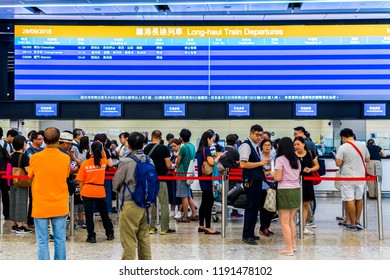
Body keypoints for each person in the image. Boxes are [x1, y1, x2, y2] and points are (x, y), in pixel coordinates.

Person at [28, 127, 70, 260]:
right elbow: (66, 174)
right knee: (60, 239)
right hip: (60, 204)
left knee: (42, 240)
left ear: (44, 140)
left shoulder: (35, 158)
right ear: (58, 140)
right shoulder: (65, 158)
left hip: (41, 204)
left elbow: (30, 175)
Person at [112, 132, 152, 260]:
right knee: (144, 238)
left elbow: (116, 183)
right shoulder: (149, 160)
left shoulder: (126, 161)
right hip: (146, 204)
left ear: (129, 145)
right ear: (142, 145)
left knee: (129, 239)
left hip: (131, 203)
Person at [76, 141, 114, 243]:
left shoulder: (85, 164)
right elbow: (105, 156)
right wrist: (101, 149)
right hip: (99, 191)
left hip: (87, 190)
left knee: (88, 215)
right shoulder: (103, 162)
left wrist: (80, 192)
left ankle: (91, 236)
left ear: (91, 151)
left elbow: (80, 180)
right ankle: (109, 233)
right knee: (104, 213)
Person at [335, 128, 370, 231]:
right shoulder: (362, 146)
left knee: (349, 199)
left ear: (343, 137)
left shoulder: (343, 147)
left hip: (348, 177)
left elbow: (338, 163)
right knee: (359, 198)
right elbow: (368, 159)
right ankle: (358, 221)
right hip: (361, 177)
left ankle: (352, 224)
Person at [238, 124, 267, 245]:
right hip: (250, 180)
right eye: (257, 135)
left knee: (255, 208)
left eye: (261, 135)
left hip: (256, 180)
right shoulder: (246, 146)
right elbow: (243, 164)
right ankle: (246, 235)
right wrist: (260, 163)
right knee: (251, 207)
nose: (259, 137)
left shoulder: (255, 146)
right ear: (251, 133)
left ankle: (250, 232)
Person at [272, 137, 301, 256]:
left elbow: (278, 178)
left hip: (285, 191)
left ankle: (288, 248)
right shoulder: (297, 159)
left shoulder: (280, 159)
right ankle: (293, 245)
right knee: (290, 220)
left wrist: (273, 174)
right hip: (296, 190)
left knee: (284, 221)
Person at [144, 130, 175, 235]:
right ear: (160, 138)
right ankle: (164, 228)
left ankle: (151, 228)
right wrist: (172, 166)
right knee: (164, 204)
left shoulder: (146, 149)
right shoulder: (164, 148)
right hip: (161, 179)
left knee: (151, 203)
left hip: (149, 180)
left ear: (151, 137)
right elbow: (168, 165)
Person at [196, 131, 222, 234]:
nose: (212, 141)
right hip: (208, 179)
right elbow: (211, 162)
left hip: (202, 178)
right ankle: (208, 227)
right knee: (209, 202)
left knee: (204, 202)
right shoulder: (206, 149)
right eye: (211, 139)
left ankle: (201, 225)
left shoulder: (200, 150)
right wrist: (219, 156)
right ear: (208, 139)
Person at [293, 136, 319, 235]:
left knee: (305, 204)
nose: (296, 146)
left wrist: (310, 169)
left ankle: (302, 227)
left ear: (303, 144)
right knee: (295, 205)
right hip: (295, 182)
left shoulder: (310, 153)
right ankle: (293, 227)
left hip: (307, 182)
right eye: (295, 145)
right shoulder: (292, 155)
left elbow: (316, 165)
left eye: (298, 144)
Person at [9, 135, 32, 234]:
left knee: (13, 203)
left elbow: (8, 170)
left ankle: (14, 225)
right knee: (21, 204)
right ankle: (20, 226)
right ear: (22, 144)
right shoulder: (23, 156)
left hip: (12, 182)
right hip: (21, 182)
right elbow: (28, 170)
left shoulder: (11, 155)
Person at [175, 128, 198, 223]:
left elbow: (178, 160)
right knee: (188, 195)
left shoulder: (183, 148)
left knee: (183, 196)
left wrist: (176, 166)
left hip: (182, 172)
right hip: (189, 172)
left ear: (181, 137)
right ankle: (194, 214)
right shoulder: (192, 146)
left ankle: (185, 216)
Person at [219, 134, 242, 218]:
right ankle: (234, 210)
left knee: (224, 190)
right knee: (233, 191)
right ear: (235, 142)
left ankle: (223, 208)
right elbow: (237, 162)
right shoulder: (235, 151)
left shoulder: (223, 150)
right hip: (233, 174)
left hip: (223, 174)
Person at [259, 139, 276, 237]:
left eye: (269, 145)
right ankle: (263, 227)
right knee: (263, 208)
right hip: (263, 185)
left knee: (271, 207)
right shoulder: (259, 157)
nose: (267, 147)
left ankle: (267, 226)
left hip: (272, 184)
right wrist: (267, 172)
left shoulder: (273, 156)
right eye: (265, 145)